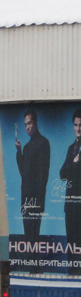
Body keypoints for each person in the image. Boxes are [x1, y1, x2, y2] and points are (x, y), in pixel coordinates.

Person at [15, 109, 50, 253]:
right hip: (26, 198)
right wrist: (19, 152)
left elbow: (43, 176)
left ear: (35, 122)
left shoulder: (43, 143)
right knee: (28, 237)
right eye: (25, 125)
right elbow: (24, 173)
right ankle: (31, 268)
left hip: (35, 199)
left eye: (29, 123)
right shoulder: (27, 147)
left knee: (34, 236)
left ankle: (35, 269)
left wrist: (38, 200)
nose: (28, 127)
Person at [59, 108, 81, 275]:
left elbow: (70, 172)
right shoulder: (70, 148)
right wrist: (73, 164)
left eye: (80, 125)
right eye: (75, 125)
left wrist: (73, 166)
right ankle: (72, 273)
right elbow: (62, 174)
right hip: (70, 205)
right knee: (71, 244)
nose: (78, 129)